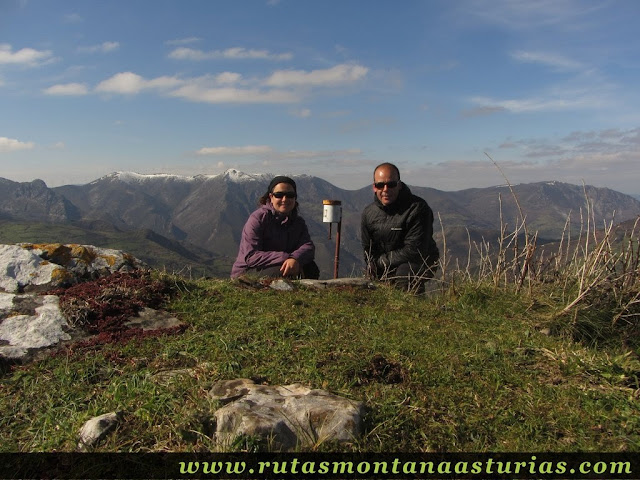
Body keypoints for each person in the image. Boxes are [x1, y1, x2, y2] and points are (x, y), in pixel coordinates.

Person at [361, 163, 439, 292]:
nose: (385, 189)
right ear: (374, 187)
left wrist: (380, 262)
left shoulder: (418, 208)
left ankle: (412, 309)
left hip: (419, 262)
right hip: (385, 264)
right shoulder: (368, 213)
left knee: (405, 273)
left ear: (399, 185)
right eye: (380, 185)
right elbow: (368, 251)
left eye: (391, 184)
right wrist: (374, 266)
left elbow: (415, 251)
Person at [231, 175, 320, 279]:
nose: (285, 199)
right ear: (271, 197)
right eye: (279, 195)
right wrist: (286, 258)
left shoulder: (298, 222)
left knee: (311, 268)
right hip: (247, 271)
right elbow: (251, 257)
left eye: (290, 195)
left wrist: (295, 259)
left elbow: (308, 246)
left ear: (295, 198)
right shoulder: (258, 219)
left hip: (278, 264)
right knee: (282, 270)